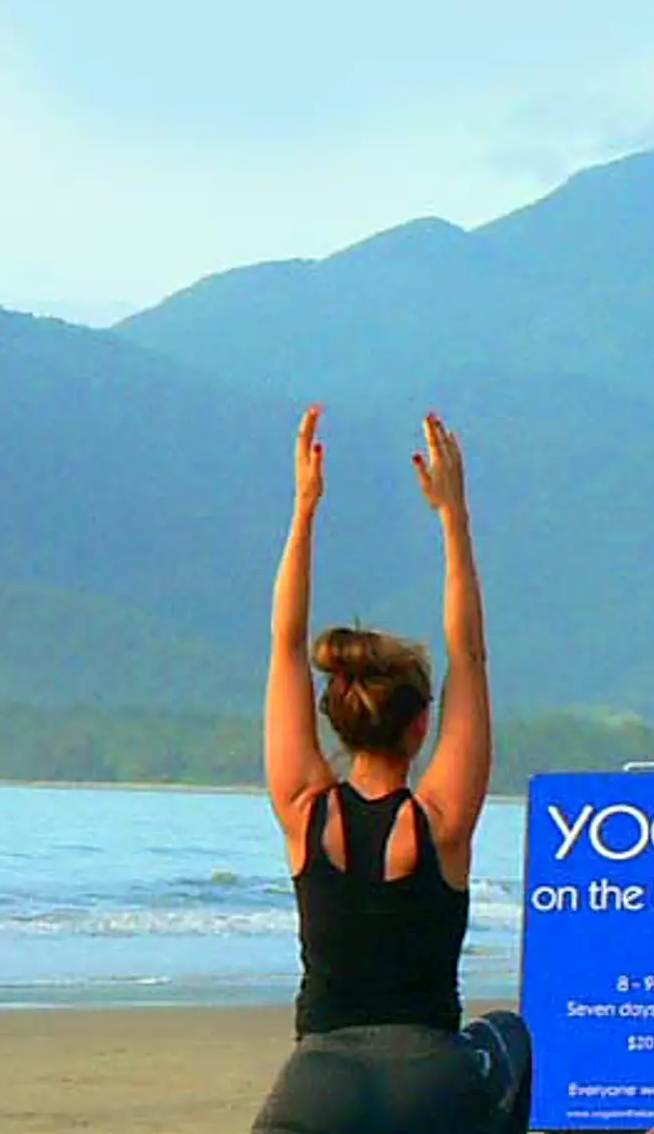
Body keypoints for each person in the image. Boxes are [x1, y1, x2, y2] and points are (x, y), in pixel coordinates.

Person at [251, 409, 531, 1134]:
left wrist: (304, 507)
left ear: (336, 721)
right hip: (431, 1083)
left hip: (315, 1084)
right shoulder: (439, 822)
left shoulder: (304, 808)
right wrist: (453, 516)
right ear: (421, 725)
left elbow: (285, 647)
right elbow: (469, 653)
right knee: (510, 1038)